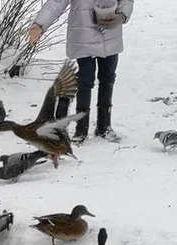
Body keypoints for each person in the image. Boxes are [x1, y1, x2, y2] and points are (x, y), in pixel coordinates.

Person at [28, 0, 134, 142]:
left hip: (110, 35)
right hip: (83, 36)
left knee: (107, 79)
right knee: (84, 82)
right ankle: (81, 129)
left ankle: (104, 126)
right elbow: (56, 3)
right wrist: (39, 24)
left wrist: (121, 16)